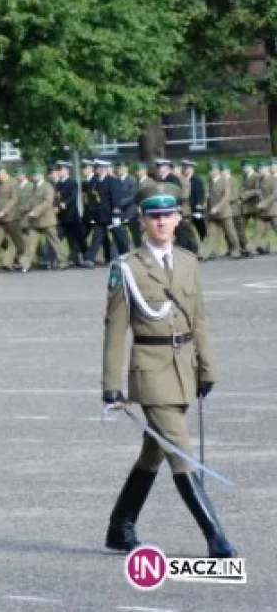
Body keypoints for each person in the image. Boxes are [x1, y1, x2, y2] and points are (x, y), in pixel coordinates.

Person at [101, 185, 236, 559]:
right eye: (153, 215)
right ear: (142, 220)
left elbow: (199, 319)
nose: (161, 222)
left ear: (178, 218)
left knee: (153, 453)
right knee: (180, 450)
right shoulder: (127, 268)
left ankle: (119, 527)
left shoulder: (189, 262)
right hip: (151, 370)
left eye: (167, 214)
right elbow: (114, 329)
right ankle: (215, 537)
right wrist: (111, 385)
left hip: (185, 368)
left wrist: (208, 366)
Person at [21, 165, 68, 271]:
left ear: (41, 175)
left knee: (54, 241)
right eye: (33, 175)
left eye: (36, 175)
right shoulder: (34, 187)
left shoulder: (48, 186)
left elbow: (47, 202)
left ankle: (63, 261)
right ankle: (26, 264)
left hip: (46, 219)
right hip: (35, 221)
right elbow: (30, 202)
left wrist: (35, 211)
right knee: (31, 243)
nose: (34, 177)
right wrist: (24, 209)